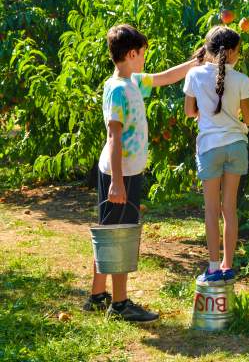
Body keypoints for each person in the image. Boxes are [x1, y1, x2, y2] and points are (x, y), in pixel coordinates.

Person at [82, 23, 200, 322]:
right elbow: (114, 137)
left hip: (124, 172)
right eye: (143, 54)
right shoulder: (119, 90)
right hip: (120, 175)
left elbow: (164, 78)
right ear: (132, 53)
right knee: (119, 236)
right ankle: (120, 304)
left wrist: (195, 63)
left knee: (108, 233)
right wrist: (118, 183)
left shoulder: (131, 80)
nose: (145, 59)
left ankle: (97, 296)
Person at [183, 25, 249, 283]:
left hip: (209, 147)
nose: (239, 55)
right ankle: (227, 265)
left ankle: (212, 267)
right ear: (230, 52)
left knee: (211, 210)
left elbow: (189, 112)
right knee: (229, 209)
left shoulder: (194, 75)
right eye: (239, 51)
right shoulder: (242, 79)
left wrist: (207, 112)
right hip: (236, 146)